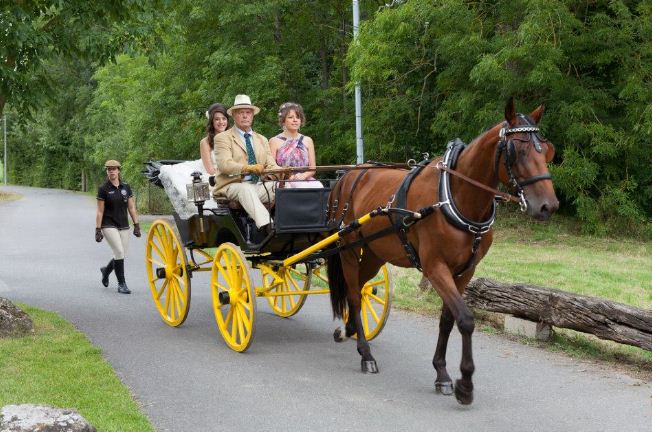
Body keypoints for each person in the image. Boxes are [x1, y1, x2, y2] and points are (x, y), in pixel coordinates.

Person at [213, 94, 280, 231]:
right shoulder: (223, 138)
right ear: (233, 116)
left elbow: (271, 164)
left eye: (248, 113)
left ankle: (292, 225)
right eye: (241, 113)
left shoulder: (262, 139)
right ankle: (268, 227)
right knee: (246, 188)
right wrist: (247, 168)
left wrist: (283, 172)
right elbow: (225, 165)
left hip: (259, 185)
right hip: (232, 186)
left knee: (282, 187)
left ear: (252, 116)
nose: (245, 116)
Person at [158, 103, 229, 219]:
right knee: (201, 187)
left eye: (223, 119)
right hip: (214, 176)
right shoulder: (205, 143)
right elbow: (210, 170)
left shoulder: (233, 138)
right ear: (211, 121)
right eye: (217, 119)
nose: (221, 122)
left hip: (232, 174)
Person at [96, 160, 140, 294]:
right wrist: (98, 229)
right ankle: (122, 284)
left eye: (114, 169)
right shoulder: (103, 189)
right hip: (108, 224)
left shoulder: (126, 187)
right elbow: (100, 211)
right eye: (109, 169)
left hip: (124, 225)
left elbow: (131, 207)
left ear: (118, 170)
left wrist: (136, 224)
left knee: (120, 254)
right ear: (107, 171)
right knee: (119, 252)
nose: (111, 171)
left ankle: (106, 270)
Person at [268, 102, 322, 188]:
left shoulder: (307, 140)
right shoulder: (274, 141)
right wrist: (288, 176)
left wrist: (304, 175)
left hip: (305, 179)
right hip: (284, 182)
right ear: (283, 121)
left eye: (298, 117)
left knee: (319, 187)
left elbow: (312, 169)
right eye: (290, 117)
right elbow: (271, 168)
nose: (295, 120)